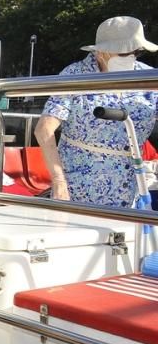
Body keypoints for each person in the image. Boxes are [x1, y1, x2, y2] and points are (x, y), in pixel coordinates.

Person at [34, 16, 158, 208]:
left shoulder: (147, 76)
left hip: (131, 187)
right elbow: (44, 130)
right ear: (101, 52)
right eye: (125, 54)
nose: (132, 57)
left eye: (137, 52)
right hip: (79, 185)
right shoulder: (76, 76)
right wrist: (59, 182)